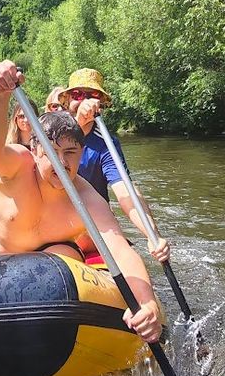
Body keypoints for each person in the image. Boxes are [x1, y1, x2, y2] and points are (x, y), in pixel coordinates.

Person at [0, 60, 162, 342]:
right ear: (35, 151)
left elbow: (121, 250)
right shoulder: (20, 163)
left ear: (81, 154)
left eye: (71, 153)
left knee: (67, 255)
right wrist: (0, 98)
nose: (62, 163)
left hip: (45, 266)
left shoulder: (86, 196)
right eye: (52, 152)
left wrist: (147, 303)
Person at [58, 69, 170, 263]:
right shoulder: (52, 131)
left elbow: (126, 191)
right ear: (68, 101)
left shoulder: (106, 143)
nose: (84, 101)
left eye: (92, 95)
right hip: (55, 219)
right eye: (77, 95)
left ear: (100, 102)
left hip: (91, 227)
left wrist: (152, 235)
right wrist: (78, 124)